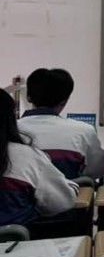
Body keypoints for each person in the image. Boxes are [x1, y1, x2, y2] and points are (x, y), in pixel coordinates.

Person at [0, 89, 77, 226]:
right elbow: (60, 203)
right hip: (20, 239)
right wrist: (71, 186)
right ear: (10, 119)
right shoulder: (27, 156)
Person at [18, 68, 104, 181]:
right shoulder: (84, 131)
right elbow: (97, 169)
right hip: (72, 191)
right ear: (65, 100)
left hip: (19, 192)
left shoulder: (8, 130)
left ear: (28, 97)